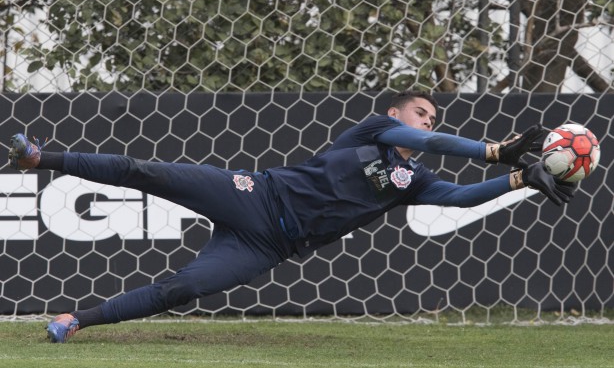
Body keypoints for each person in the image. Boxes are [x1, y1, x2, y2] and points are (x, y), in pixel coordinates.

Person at [7, 90, 575, 343]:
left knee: (184, 289)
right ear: (395, 113)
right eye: (421, 113)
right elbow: (441, 142)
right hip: (254, 194)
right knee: (146, 171)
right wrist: (494, 150)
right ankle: (40, 157)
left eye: (433, 118)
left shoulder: (414, 179)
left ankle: (76, 318)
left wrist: (520, 179)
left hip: (268, 247)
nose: (426, 124)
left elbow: (458, 199)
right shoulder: (376, 132)